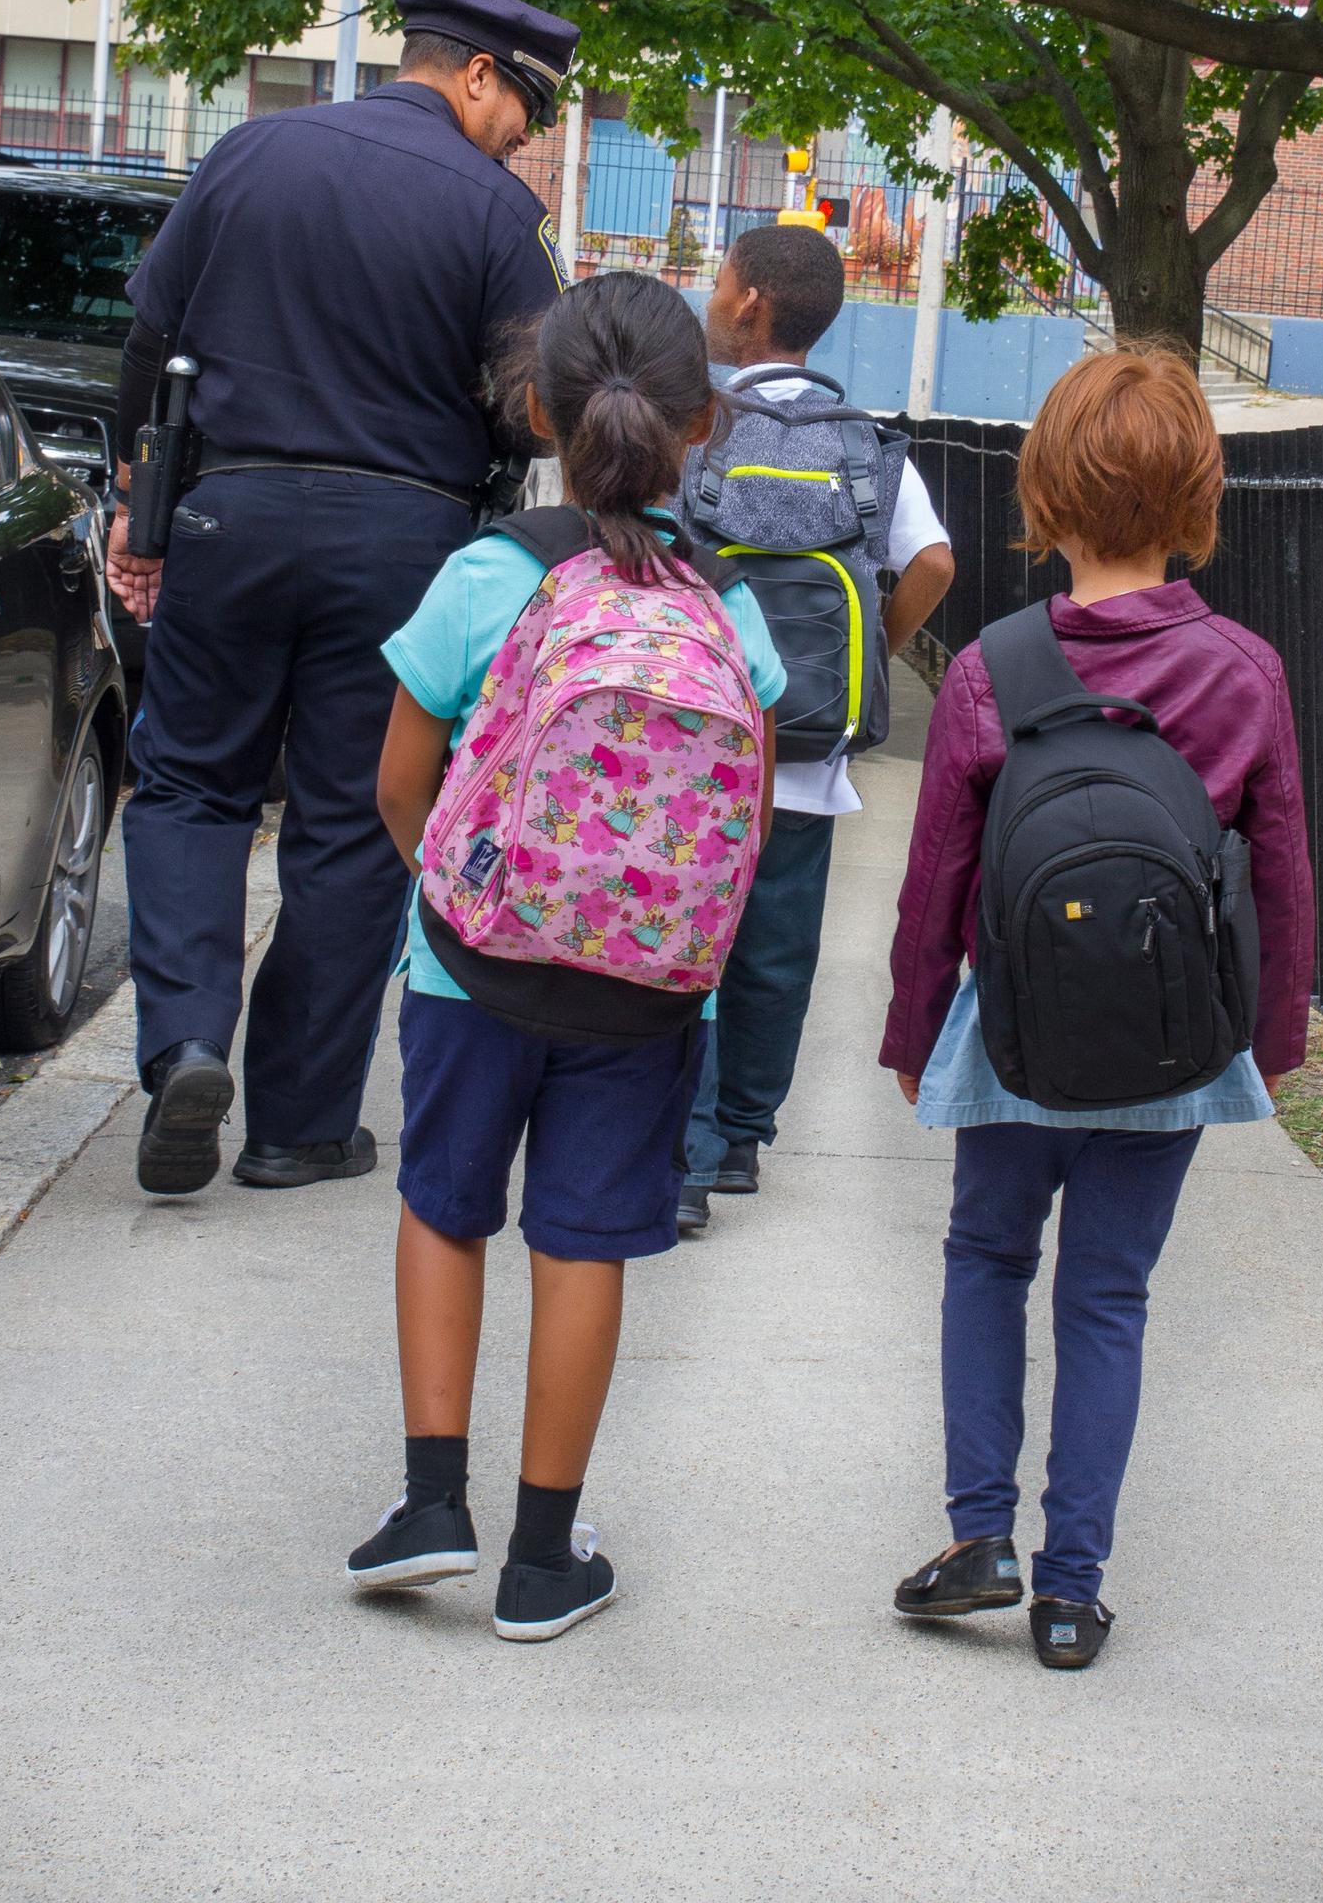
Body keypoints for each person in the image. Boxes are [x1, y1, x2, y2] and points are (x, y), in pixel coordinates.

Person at [344, 274, 786, 1641]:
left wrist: (457, 898)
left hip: (468, 971)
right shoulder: (726, 612)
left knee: (444, 1204)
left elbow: (397, 784)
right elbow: (747, 819)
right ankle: (545, 1558)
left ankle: (431, 1503)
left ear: (535, 410)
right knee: (584, 1243)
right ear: (700, 427)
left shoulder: (490, 576)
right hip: (644, 997)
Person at [881, 347, 1312, 1670]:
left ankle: (979, 1537)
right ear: (1196, 494)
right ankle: (1074, 1591)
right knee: (1110, 1294)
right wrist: (1274, 1038)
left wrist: (915, 1031)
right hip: (1176, 1043)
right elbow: (1282, 868)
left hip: (1015, 1031)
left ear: (1047, 494)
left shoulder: (992, 670)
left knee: (986, 1261)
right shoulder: (1244, 671)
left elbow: (939, 876)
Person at [113, 0, 580, 1199]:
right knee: (355, 820)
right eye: (523, 105)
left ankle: (186, 1045)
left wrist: (140, 506)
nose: (523, 135)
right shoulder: (498, 215)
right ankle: (299, 1128)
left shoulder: (249, 152)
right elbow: (532, 407)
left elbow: (150, 337)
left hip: (231, 511)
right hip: (404, 540)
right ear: (476, 74)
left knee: (187, 788)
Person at [675, 224, 954, 1232]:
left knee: (693, 941)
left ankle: (690, 1149)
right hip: (806, 753)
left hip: (703, 746)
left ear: (746, 302)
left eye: (717, 282)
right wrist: (872, 647)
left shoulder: (701, 428)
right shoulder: (861, 442)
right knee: (776, 949)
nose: (709, 297)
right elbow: (931, 563)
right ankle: (743, 1134)